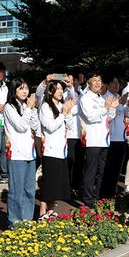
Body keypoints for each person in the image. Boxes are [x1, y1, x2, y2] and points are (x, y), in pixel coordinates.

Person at [3, 78, 40, 226]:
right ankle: (15, 223)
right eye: (20, 88)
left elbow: (35, 126)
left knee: (29, 190)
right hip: (17, 153)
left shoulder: (27, 106)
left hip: (30, 153)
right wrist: (29, 109)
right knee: (16, 191)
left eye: (26, 88)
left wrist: (33, 109)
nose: (25, 91)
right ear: (14, 91)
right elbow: (20, 126)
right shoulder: (9, 107)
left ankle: (27, 220)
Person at [78, 72, 117, 206]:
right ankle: (87, 200)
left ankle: (98, 197)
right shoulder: (85, 98)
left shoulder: (101, 98)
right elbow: (91, 117)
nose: (97, 83)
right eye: (94, 80)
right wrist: (105, 108)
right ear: (89, 83)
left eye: (99, 80)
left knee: (102, 171)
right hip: (92, 140)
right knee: (91, 171)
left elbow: (109, 118)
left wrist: (111, 108)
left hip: (104, 139)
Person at [37, 80, 75, 218]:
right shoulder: (45, 107)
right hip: (50, 150)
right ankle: (42, 211)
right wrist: (63, 113)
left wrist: (68, 112)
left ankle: (51, 210)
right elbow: (50, 126)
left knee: (57, 183)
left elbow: (69, 126)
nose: (60, 91)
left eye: (61, 89)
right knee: (49, 182)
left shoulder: (61, 105)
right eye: (57, 89)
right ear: (50, 91)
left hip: (61, 150)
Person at [101, 76, 127, 198]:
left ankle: (113, 190)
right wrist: (113, 106)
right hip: (111, 137)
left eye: (118, 84)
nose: (116, 86)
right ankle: (105, 192)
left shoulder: (119, 97)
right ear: (108, 84)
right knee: (109, 167)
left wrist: (128, 104)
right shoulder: (105, 97)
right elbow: (107, 117)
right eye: (114, 83)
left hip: (122, 136)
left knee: (117, 166)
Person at [65, 72, 84, 198]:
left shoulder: (81, 92)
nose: (70, 83)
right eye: (68, 81)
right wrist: (70, 88)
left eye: (72, 81)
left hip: (80, 134)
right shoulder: (65, 93)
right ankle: (68, 187)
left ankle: (76, 186)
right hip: (70, 134)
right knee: (70, 162)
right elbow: (73, 99)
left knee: (79, 162)